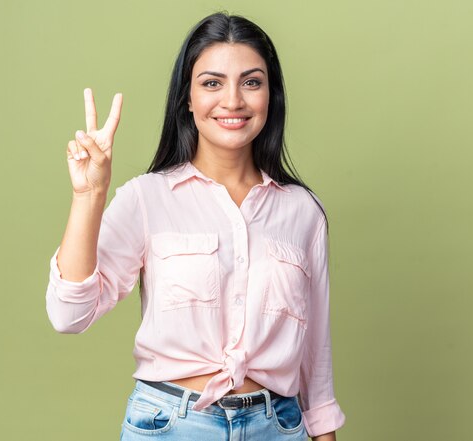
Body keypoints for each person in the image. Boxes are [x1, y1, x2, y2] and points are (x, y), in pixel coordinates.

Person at [45, 12, 346, 441]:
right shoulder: (147, 198)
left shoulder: (302, 212)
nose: (233, 101)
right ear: (187, 98)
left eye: (251, 82)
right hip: (170, 427)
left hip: (278, 427)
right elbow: (68, 315)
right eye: (211, 83)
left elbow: (316, 359)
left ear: (270, 96)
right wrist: (88, 195)